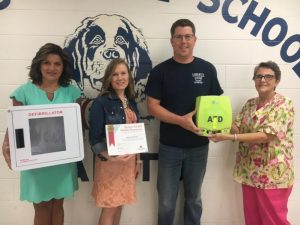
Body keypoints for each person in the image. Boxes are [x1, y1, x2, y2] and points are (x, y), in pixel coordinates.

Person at [145, 19, 223, 225]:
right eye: (179, 37)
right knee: (166, 203)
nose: (183, 41)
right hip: (170, 148)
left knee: (194, 200)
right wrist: (181, 121)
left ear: (195, 39)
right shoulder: (160, 71)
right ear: (172, 41)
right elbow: (152, 107)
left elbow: (216, 104)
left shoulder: (207, 69)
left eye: (188, 36)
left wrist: (224, 128)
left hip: (199, 147)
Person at [1, 43, 82, 225]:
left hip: (63, 161)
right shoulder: (23, 92)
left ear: (63, 67)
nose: (52, 68)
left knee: (58, 206)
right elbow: (15, 126)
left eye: (57, 63)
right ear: (38, 64)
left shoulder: (73, 93)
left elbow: (77, 127)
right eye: (47, 62)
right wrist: (7, 144)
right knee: (41, 207)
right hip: (35, 163)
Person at [209, 61, 294, 225]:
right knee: (252, 219)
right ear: (254, 80)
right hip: (249, 172)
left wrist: (229, 138)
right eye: (259, 76)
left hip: (272, 175)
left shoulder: (283, 104)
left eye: (268, 76)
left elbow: (265, 136)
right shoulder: (249, 104)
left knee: (273, 220)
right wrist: (215, 124)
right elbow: (236, 128)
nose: (263, 80)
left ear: (277, 81)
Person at [89, 58, 141, 225]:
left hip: (128, 164)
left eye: (123, 73)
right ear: (109, 78)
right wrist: (110, 157)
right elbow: (94, 138)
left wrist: (137, 160)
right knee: (109, 207)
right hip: (110, 164)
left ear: (129, 76)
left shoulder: (131, 102)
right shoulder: (101, 102)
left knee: (119, 206)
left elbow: (135, 134)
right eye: (115, 74)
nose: (120, 78)